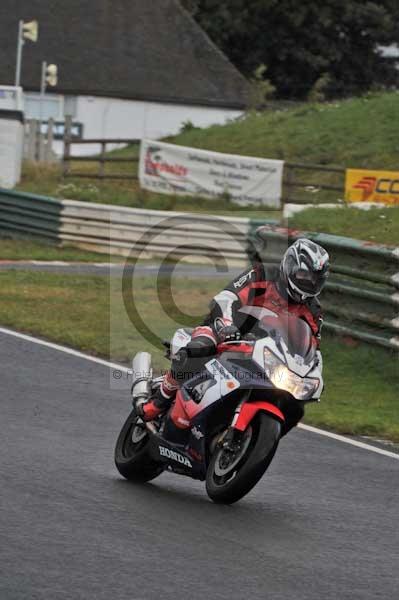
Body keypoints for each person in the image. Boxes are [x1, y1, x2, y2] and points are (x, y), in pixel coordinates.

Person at [136, 238, 330, 421]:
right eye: (304, 275)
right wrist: (227, 325)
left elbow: (311, 347)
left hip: (266, 353)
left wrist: (313, 374)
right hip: (225, 329)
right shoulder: (262, 274)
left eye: (315, 279)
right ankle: (157, 403)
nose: (309, 282)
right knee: (199, 348)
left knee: (294, 406)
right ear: (290, 266)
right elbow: (227, 297)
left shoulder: (313, 310)